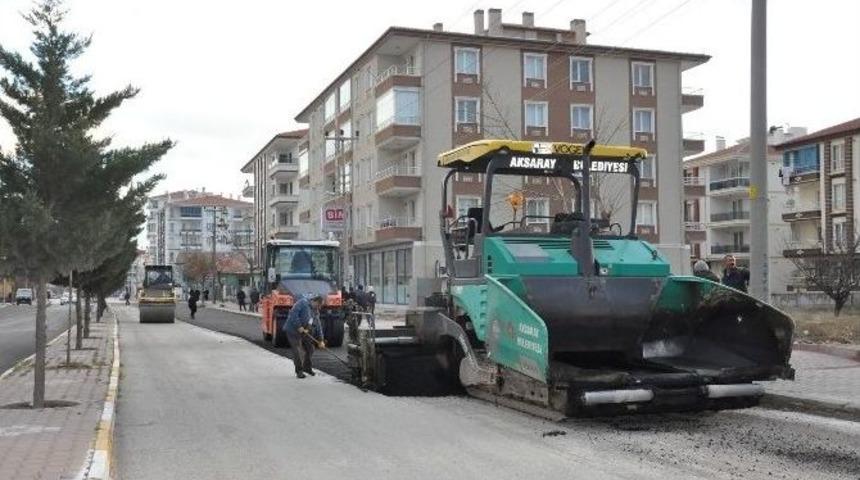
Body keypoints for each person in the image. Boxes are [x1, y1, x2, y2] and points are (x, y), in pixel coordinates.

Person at [284, 294, 324, 378]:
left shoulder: (315, 311)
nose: (318, 308)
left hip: (304, 331)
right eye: (318, 305)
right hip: (293, 330)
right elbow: (293, 314)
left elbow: (318, 325)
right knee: (298, 350)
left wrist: (321, 340)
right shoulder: (302, 303)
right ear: (315, 301)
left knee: (310, 348)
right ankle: (299, 371)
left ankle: (307, 367)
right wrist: (299, 326)